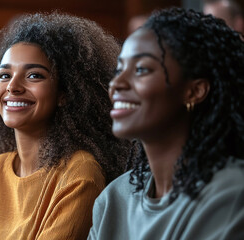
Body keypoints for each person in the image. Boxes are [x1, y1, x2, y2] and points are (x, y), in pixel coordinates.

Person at [0, 12, 129, 240]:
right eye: (4, 75)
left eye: (34, 75)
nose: (13, 87)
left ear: (65, 92)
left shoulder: (80, 173)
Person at [88, 8, 244, 239]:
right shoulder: (114, 198)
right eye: (119, 69)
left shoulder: (232, 194)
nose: (117, 84)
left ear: (194, 90)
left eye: (141, 69)